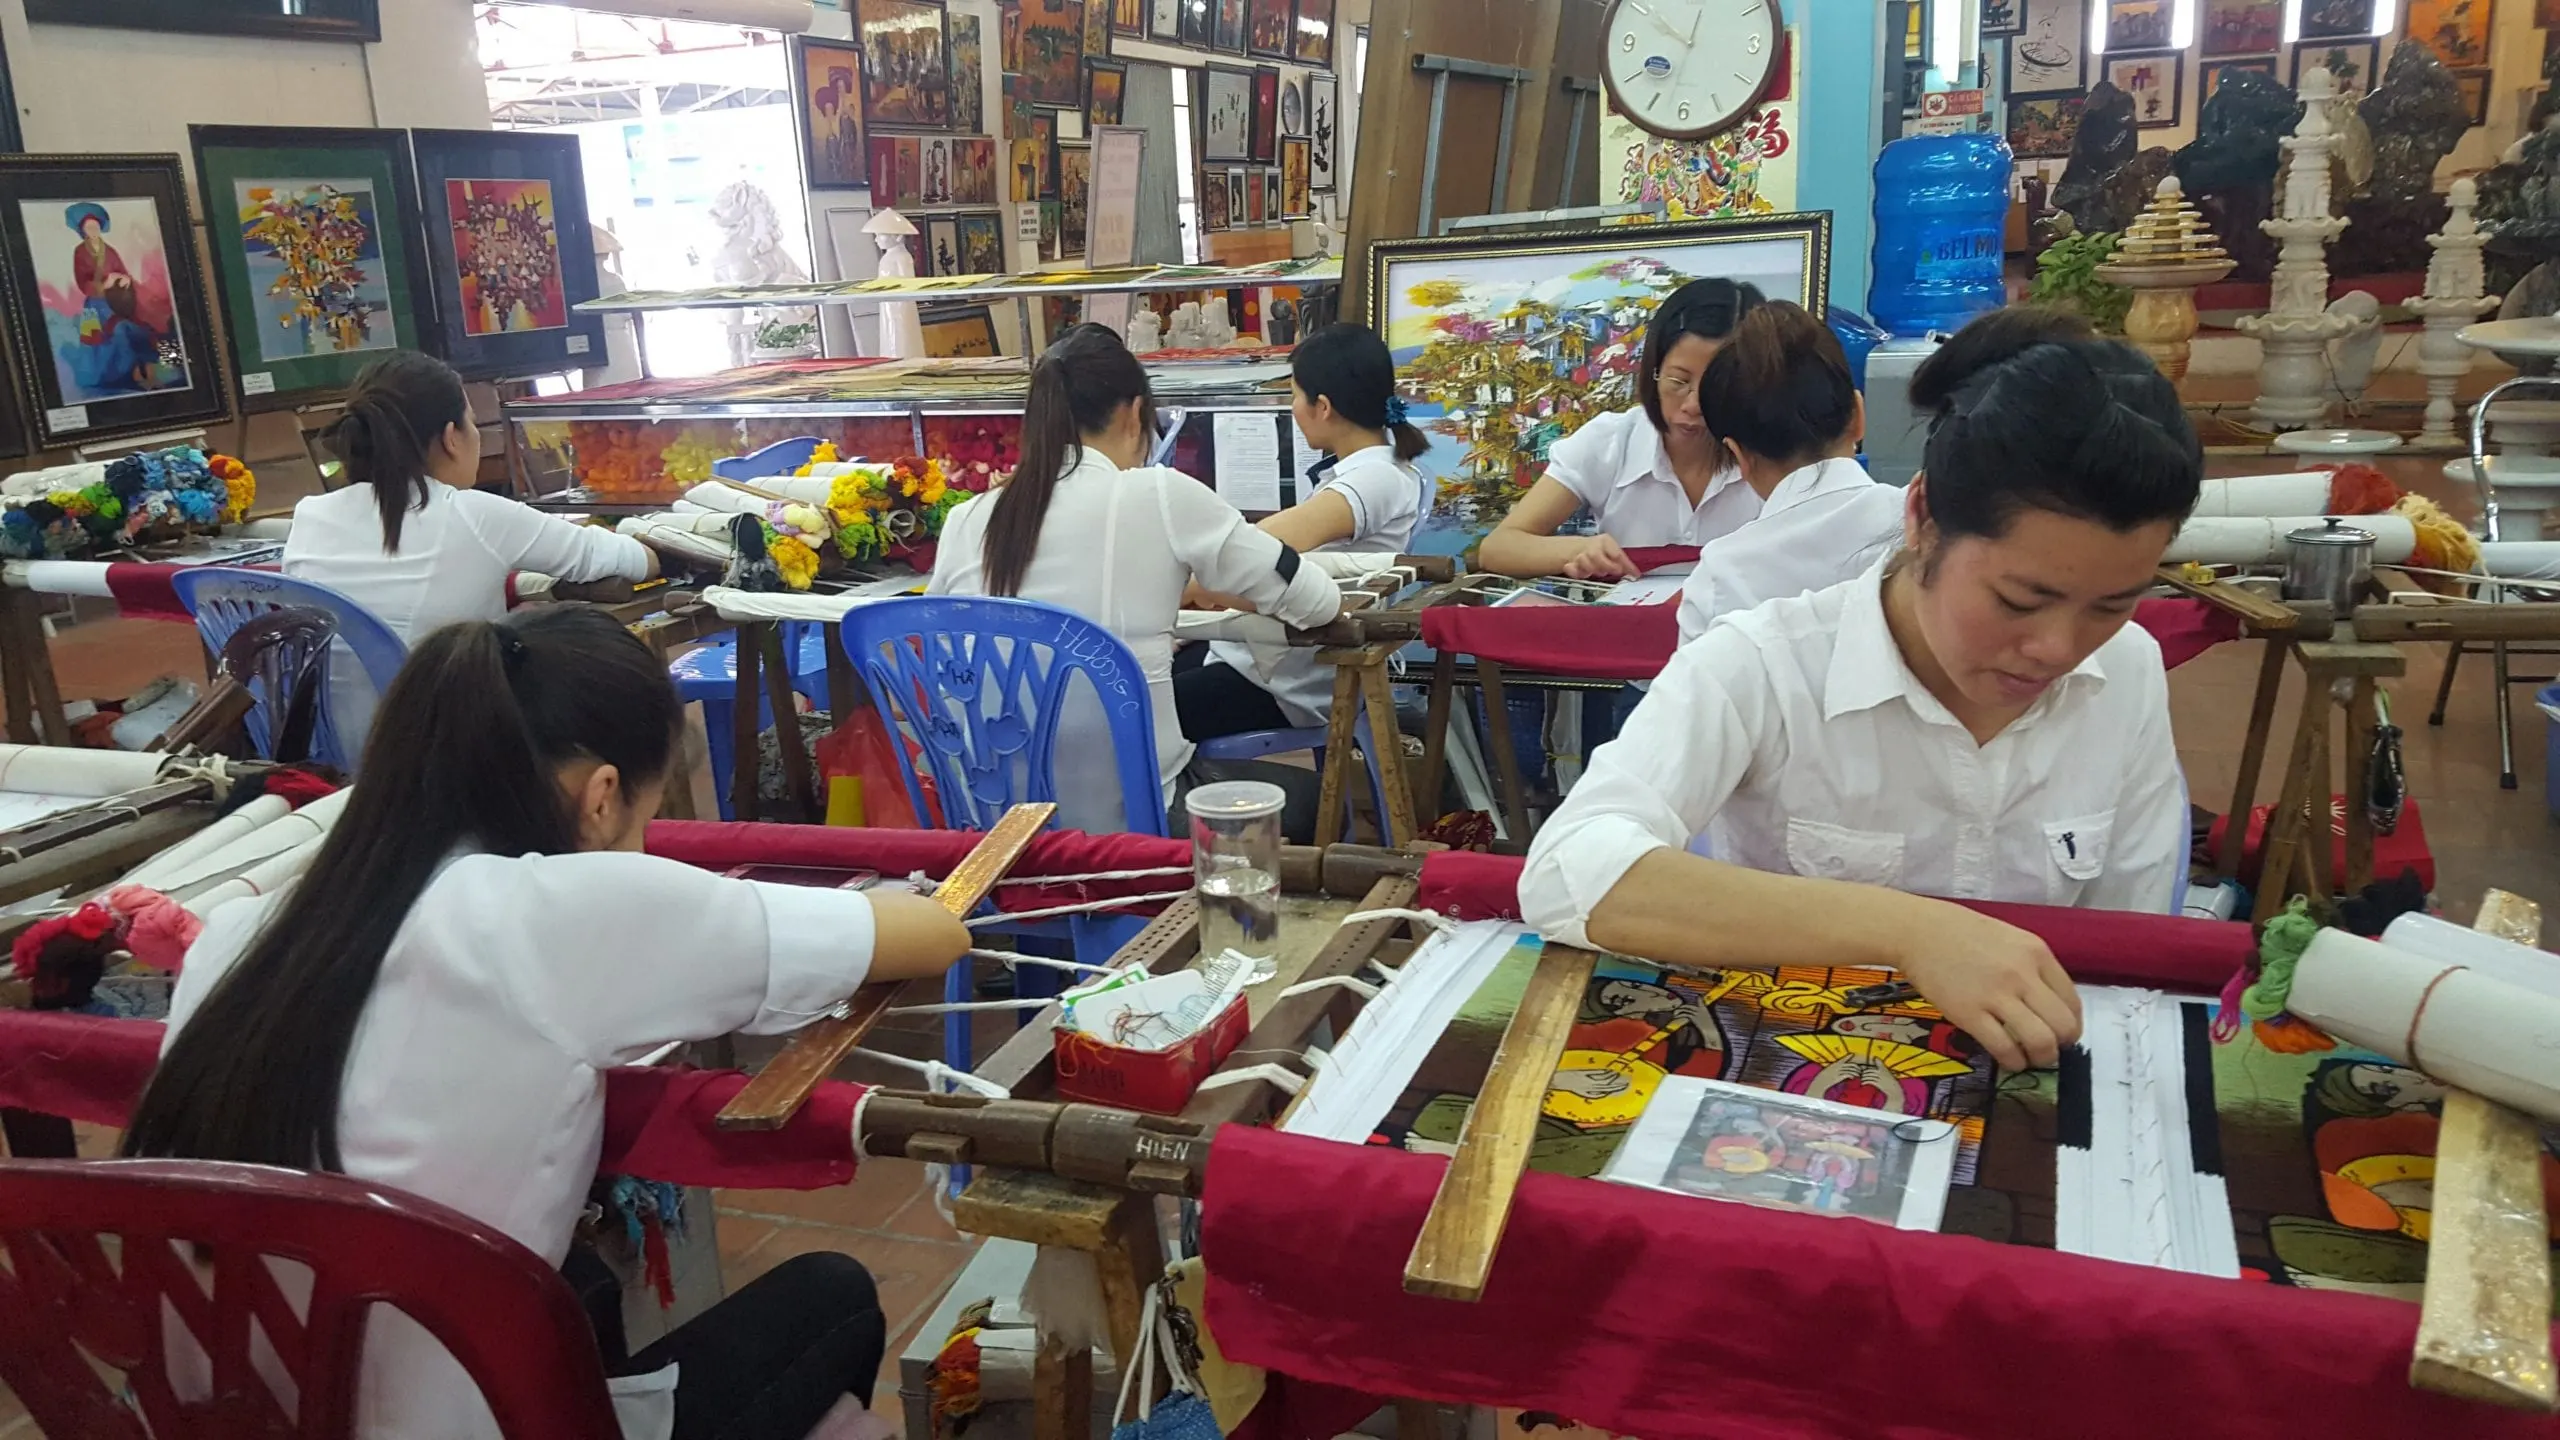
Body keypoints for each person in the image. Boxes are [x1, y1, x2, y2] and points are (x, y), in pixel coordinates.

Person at [123, 605, 974, 1440]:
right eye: (644, 816)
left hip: (216, 1413)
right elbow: (933, 934)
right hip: (441, 1418)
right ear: (602, 795)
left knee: (579, 1285)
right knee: (831, 1297)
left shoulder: (248, 931)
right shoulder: (555, 911)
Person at [1518, 315, 2206, 1074]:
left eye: (2111, 606)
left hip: (2029, 1079)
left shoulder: (2128, 671)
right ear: (1920, 519)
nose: (2059, 648)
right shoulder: (1764, 665)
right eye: (2018, 600)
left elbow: (2132, 945)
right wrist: (1911, 932)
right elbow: (1568, 871)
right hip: (1794, 1077)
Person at [929, 324, 1343, 834]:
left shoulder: (968, 519)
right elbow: (1316, 602)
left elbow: (944, 659)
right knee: (1326, 799)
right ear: (1134, 414)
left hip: (996, 826)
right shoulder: (1158, 494)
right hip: (1138, 821)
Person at [285, 351, 659, 646]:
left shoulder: (311, 516)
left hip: (325, 741)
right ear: (451, 437)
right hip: (446, 738)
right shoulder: (472, 515)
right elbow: (636, 561)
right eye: (473, 422)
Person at [1176, 322, 1430, 740]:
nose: (1293, 408)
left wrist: (1190, 581)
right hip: (1275, 655)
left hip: (1288, 680)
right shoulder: (1374, 468)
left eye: (1294, 395)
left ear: (1323, 406)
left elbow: (1262, 546)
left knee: (1129, 708)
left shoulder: (1375, 477)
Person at [1476, 277, 1765, 580]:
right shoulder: (1611, 442)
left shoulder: (1773, 453)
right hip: (1632, 619)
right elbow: (1498, 548)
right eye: (1678, 381)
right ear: (1654, 370)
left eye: (1715, 388)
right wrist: (1577, 551)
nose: (1693, 405)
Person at [1673, 302, 1905, 641]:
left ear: (1739, 457)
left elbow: (1698, 693)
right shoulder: (1925, 528)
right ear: (1858, 415)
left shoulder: (1721, 577)